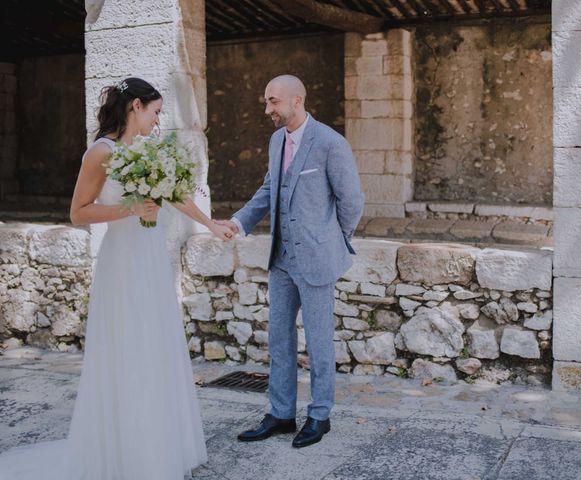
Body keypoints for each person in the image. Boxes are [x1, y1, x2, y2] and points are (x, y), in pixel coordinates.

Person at [0, 77, 234, 479]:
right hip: (122, 261)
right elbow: (78, 212)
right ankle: (124, 451)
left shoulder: (145, 150)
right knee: (127, 347)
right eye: (156, 111)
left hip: (149, 259)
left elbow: (175, 195)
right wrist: (131, 211)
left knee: (154, 345)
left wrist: (211, 225)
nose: (159, 120)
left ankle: (156, 447)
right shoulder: (101, 152)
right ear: (135, 107)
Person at [218, 74, 364, 448]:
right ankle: (282, 414)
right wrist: (238, 222)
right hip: (281, 259)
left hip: (317, 260)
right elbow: (269, 189)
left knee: (318, 343)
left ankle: (319, 416)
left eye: (273, 102)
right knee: (279, 338)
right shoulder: (276, 140)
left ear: (297, 100)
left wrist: (335, 239)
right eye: (267, 102)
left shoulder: (331, 143)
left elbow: (352, 202)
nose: (268, 110)